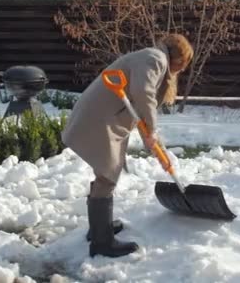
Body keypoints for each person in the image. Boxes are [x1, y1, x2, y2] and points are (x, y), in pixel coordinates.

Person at [61, 33, 194, 258]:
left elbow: (141, 104)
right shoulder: (155, 59)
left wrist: (152, 138)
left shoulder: (151, 57)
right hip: (101, 119)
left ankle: (98, 229)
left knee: (106, 173)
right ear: (179, 61)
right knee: (108, 175)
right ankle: (102, 243)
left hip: (104, 118)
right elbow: (144, 93)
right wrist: (151, 130)